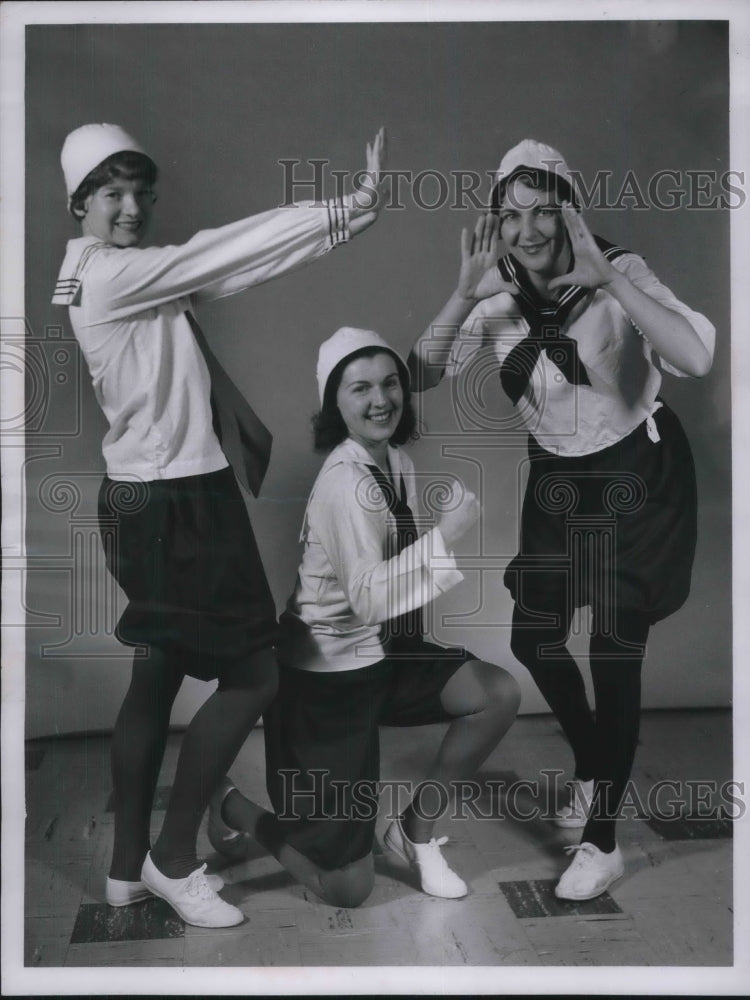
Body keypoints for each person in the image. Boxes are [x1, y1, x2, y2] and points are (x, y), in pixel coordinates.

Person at [52, 122, 387, 927]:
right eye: (112, 195)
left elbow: (214, 284)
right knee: (255, 678)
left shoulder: (97, 274)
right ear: (79, 204)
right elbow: (222, 253)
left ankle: (125, 872)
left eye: (140, 193)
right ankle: (172, 860)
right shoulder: (115, 278)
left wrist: (235, 409)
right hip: (181, 503)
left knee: (156, 676)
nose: (131, 208)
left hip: (143, 499)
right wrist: (351, 208)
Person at [407, 139, 715, 901]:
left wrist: (610, 278)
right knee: (534, 637)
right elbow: (418, 375)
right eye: (512, 215)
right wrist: (460, 294)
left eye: (546, 210)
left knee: (616, 652)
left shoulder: (618, 269)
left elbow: (697, 357)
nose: (529, 230)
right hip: (558, 478)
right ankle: (596, 767)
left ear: (570, 210)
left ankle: (603, 841)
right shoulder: (495, 286)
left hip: (634, 475)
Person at [207, 326, 521, 907]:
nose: (381, 400)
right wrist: (447, 536)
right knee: (347, 887)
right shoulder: (347, 484)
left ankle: (412, 831)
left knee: (495, 694)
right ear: (335, 404)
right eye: (360, 389)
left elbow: (395, 590)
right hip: (322, 685)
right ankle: (234, 807)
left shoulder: (395, 461)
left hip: (380, 656)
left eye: (390, 383)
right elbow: (369, 597)